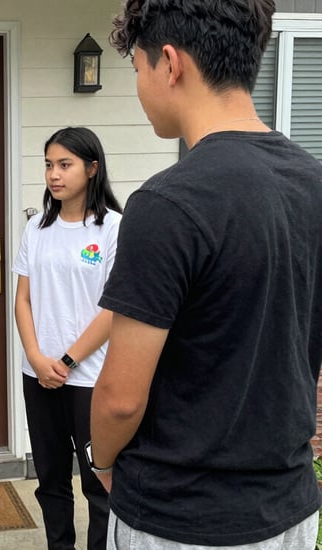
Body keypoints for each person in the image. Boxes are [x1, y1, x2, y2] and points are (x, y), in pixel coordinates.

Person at [89, 1, 322, 548]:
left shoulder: (168, 201)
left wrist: (99, 462)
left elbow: (121, 397)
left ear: (170, 64)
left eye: (138, 69)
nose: (141, 88)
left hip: (180, 515)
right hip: (288, 507)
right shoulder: (314, 183)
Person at [13, 127, 122, 550]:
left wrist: (68, 361)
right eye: (48, 165)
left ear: (92, 169)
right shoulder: (38, 229)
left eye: (64, 165)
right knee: (50, 479)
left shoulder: (112, 227)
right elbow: (22, 300)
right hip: (38, 375)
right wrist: (37, 359)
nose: (53, 175)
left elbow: (114, 307)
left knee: (100, 484)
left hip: (91, 377)